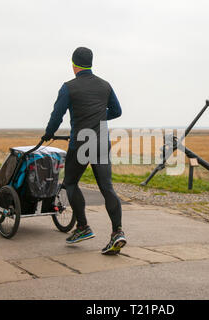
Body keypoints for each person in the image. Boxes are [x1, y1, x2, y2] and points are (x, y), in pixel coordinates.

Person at [42, 47, 126, 255]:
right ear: (91, 63)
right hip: (101, 142)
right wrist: (98, 115)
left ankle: (82, 227)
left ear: (73, 65)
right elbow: (117, 111)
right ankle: (117, 232)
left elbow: (57, 114)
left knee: (70, 183)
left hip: (81, 142)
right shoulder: (105, 86)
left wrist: (48, 134)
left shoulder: (69, 87)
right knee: (107, 188)